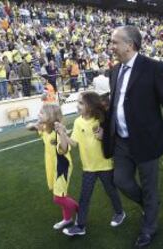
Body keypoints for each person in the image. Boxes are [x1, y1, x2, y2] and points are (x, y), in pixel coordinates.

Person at [102, 26, 163, 248]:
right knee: (120, 180)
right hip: (121, 140)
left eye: (115, 42)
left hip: (147, 140)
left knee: (150, 186)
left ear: (130, 45)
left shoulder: (153, 68)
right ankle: (150, 205)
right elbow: (115, 105)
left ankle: (148, 228)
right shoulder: (114, 71)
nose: (111, 46)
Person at [57, 92, 125, 236]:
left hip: (105, 165)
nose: (78, 105)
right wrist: (63, 133)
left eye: (81, 103)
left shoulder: (101, 119)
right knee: (84, 197)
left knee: (111, 191)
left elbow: (114, 137)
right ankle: (80, 226)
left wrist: (103, 136)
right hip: (88, 167)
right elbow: (74, 143)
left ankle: (120, 213)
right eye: (78, 102)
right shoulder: (77, 122)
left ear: (91, 106)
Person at [26, 104, 78, 230]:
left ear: (50, 117)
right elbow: (28, 127)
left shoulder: (57, 132)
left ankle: (81, 211)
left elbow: (64, 149)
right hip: (51, 165)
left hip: (62, 167)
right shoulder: (44, 128)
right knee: (61, 195)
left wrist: (62, 134)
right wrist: (35, 124)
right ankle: (67, 219)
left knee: (58, 198)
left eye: (41, 113)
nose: (38, 114)